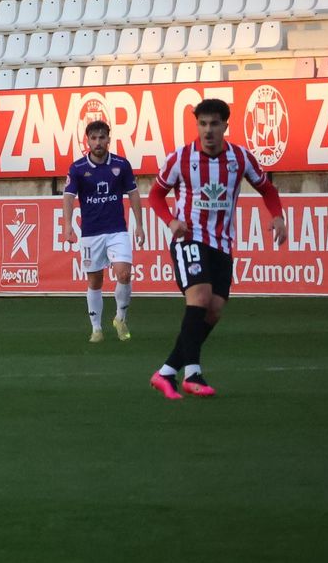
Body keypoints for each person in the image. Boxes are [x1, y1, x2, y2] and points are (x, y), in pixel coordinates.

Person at [145, 98, 285, 400]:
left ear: (225, 126)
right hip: (189, 238)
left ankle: (166, 372)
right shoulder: (181, 158)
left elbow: (267, 189)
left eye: (214, 124)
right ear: (197, 125)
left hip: (221, 243)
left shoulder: (240, 158)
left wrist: (278, 216)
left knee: (214, 309)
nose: (208, 130)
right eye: (203, 124)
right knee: (200, 296)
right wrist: (171, 221)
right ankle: (192, 373)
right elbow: (155, 195)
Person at [61, 120, 144, 343]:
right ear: (87, 141)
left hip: (117, 230)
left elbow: (133, 193)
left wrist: (139, 225)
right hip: (91, 233)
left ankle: (120, 318)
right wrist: (68, 225)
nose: (98, 142)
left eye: (102, 137)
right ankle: (96, 328)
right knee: (95, 280)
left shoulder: (121, 165)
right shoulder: (78, 168)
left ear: (109, 139)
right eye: (94, 138)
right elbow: (68, 196)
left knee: (124, 274)